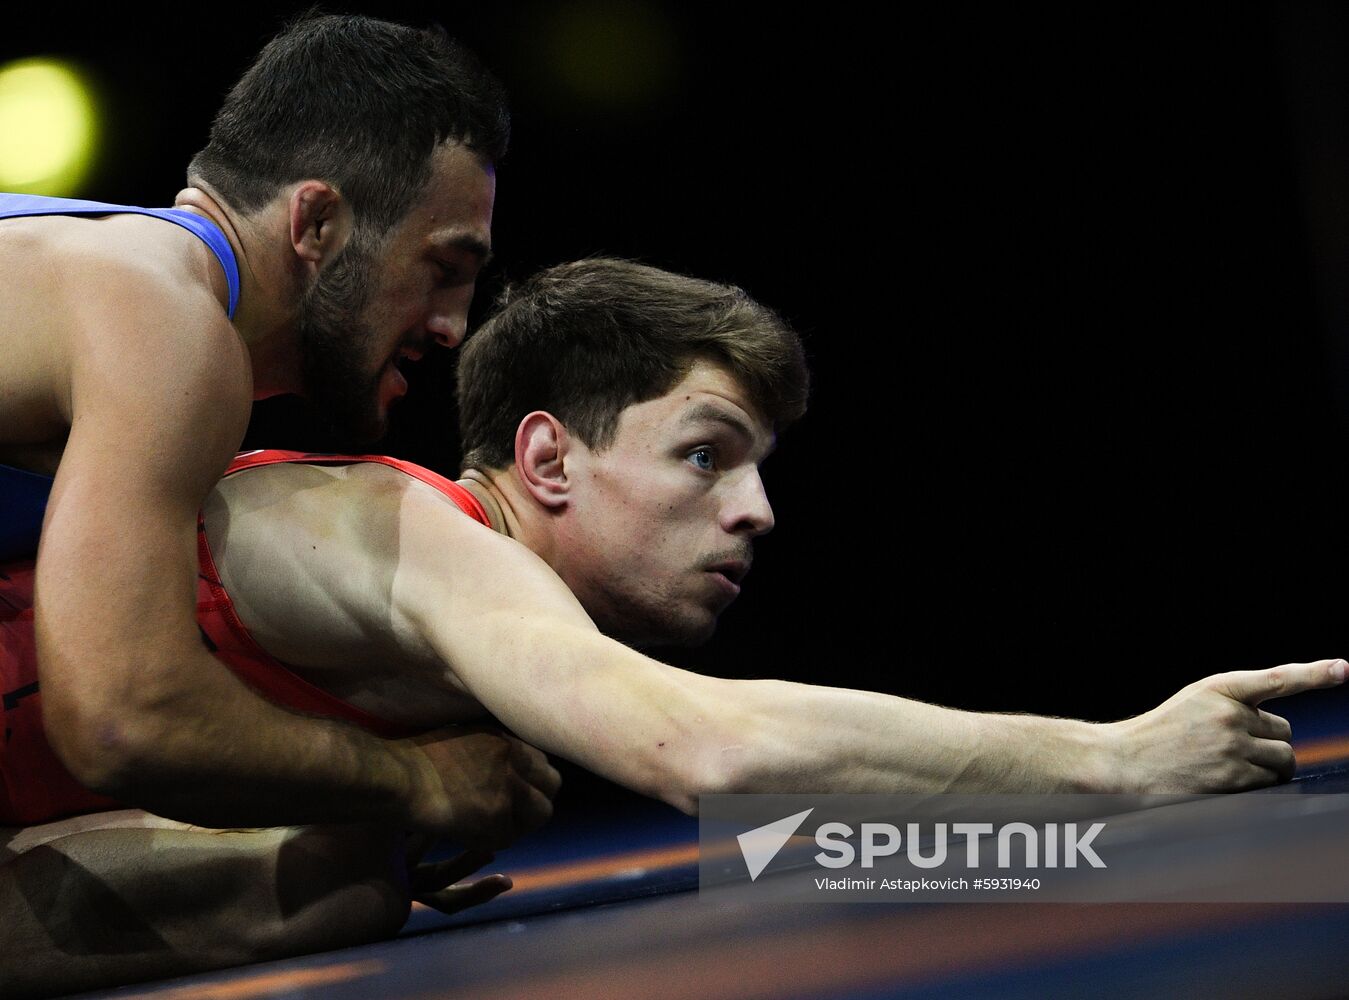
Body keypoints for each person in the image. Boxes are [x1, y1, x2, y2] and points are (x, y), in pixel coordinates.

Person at [4, 258, 1341, 997]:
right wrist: (1116, 762)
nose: (757, 514)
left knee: (336, 876)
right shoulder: (403, 535)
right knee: (329, 877)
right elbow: (703, 753)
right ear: (548, 461)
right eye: (707, 458)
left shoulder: (471, 680)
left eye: (761, 470)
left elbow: (781, 834)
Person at [0, 13, 558, 847]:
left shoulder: (80, 255)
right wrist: (410, 781)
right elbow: (123, 720)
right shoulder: (167, 326)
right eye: (442, 269)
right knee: (308, 881)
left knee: (318, 876)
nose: (452, 326)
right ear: (317, 225)